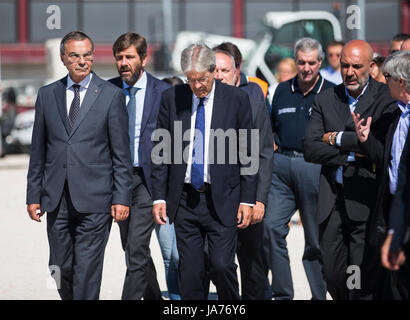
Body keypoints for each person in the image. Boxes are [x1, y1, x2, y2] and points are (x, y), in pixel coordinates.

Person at [26, 31, 133, 300]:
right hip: (56, 197)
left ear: (93, 57)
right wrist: (33, 194)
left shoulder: (110, 95)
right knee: (59, 267)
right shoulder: (47, 95)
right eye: (75, 55)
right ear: (63, 58)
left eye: (87, 55)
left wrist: (122, 197)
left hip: (96, 199)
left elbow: (121, 153)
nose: (82, 61)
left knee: (88, 268)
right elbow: (39, 150)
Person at [151, 43, 257, 300]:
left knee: (222, 265)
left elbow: (249, 153)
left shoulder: (236, 100)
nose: (197, 85)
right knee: (190, 273)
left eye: (202, 79)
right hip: (185, 200)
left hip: (223, 198)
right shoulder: (172, 98)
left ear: (213, 71)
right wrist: (159, 197)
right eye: (191, 80)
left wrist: (247, 199)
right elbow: (160, 152)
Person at [303, 39, 397, 300]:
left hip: (364, 200)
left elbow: (379, 145)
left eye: (357, 66)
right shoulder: (325, 98)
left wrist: (335, 138)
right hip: (332, 199)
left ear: (371, 66)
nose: (349, 72)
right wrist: (353, 153)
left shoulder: (385, 97)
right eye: (345, 66)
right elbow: (310, 148)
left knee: (357, 275)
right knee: (333, 273)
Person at [263, 37, 332, 300]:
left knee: (315, 239)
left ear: (320, 63)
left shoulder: (331, 92)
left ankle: (318, 294)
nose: (306, 68)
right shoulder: (280, 90)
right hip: (281, 168)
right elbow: (270, 125)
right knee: (270, 227)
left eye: (311, 63)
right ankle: (282, 294)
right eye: (301, 62)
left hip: (315, 167)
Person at [108, 32, 170, 300]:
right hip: (118, 181)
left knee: (135, 248)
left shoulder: (165, 92)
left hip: (148, 180)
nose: (123, 62)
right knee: (134, 250)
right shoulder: (106, 90)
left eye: (129, 57)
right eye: (119, 57)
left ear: (144, 59)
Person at [213, 47, 274, 299]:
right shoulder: (202, 104)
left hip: (247, 194)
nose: (218, 76)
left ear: (236, 70)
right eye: (213, 70)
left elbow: (265, 153)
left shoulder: (253, 99)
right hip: (215, 196)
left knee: (251, 258)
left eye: (224, 70)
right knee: (216, 260)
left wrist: (259, 199)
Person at [355, 51, 410, 298]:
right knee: (394, 279)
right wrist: (366, 140)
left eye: (386, 76)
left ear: (401, 81)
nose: (382, 81)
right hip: (392, 205)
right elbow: (385, 159)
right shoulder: (396, 116)